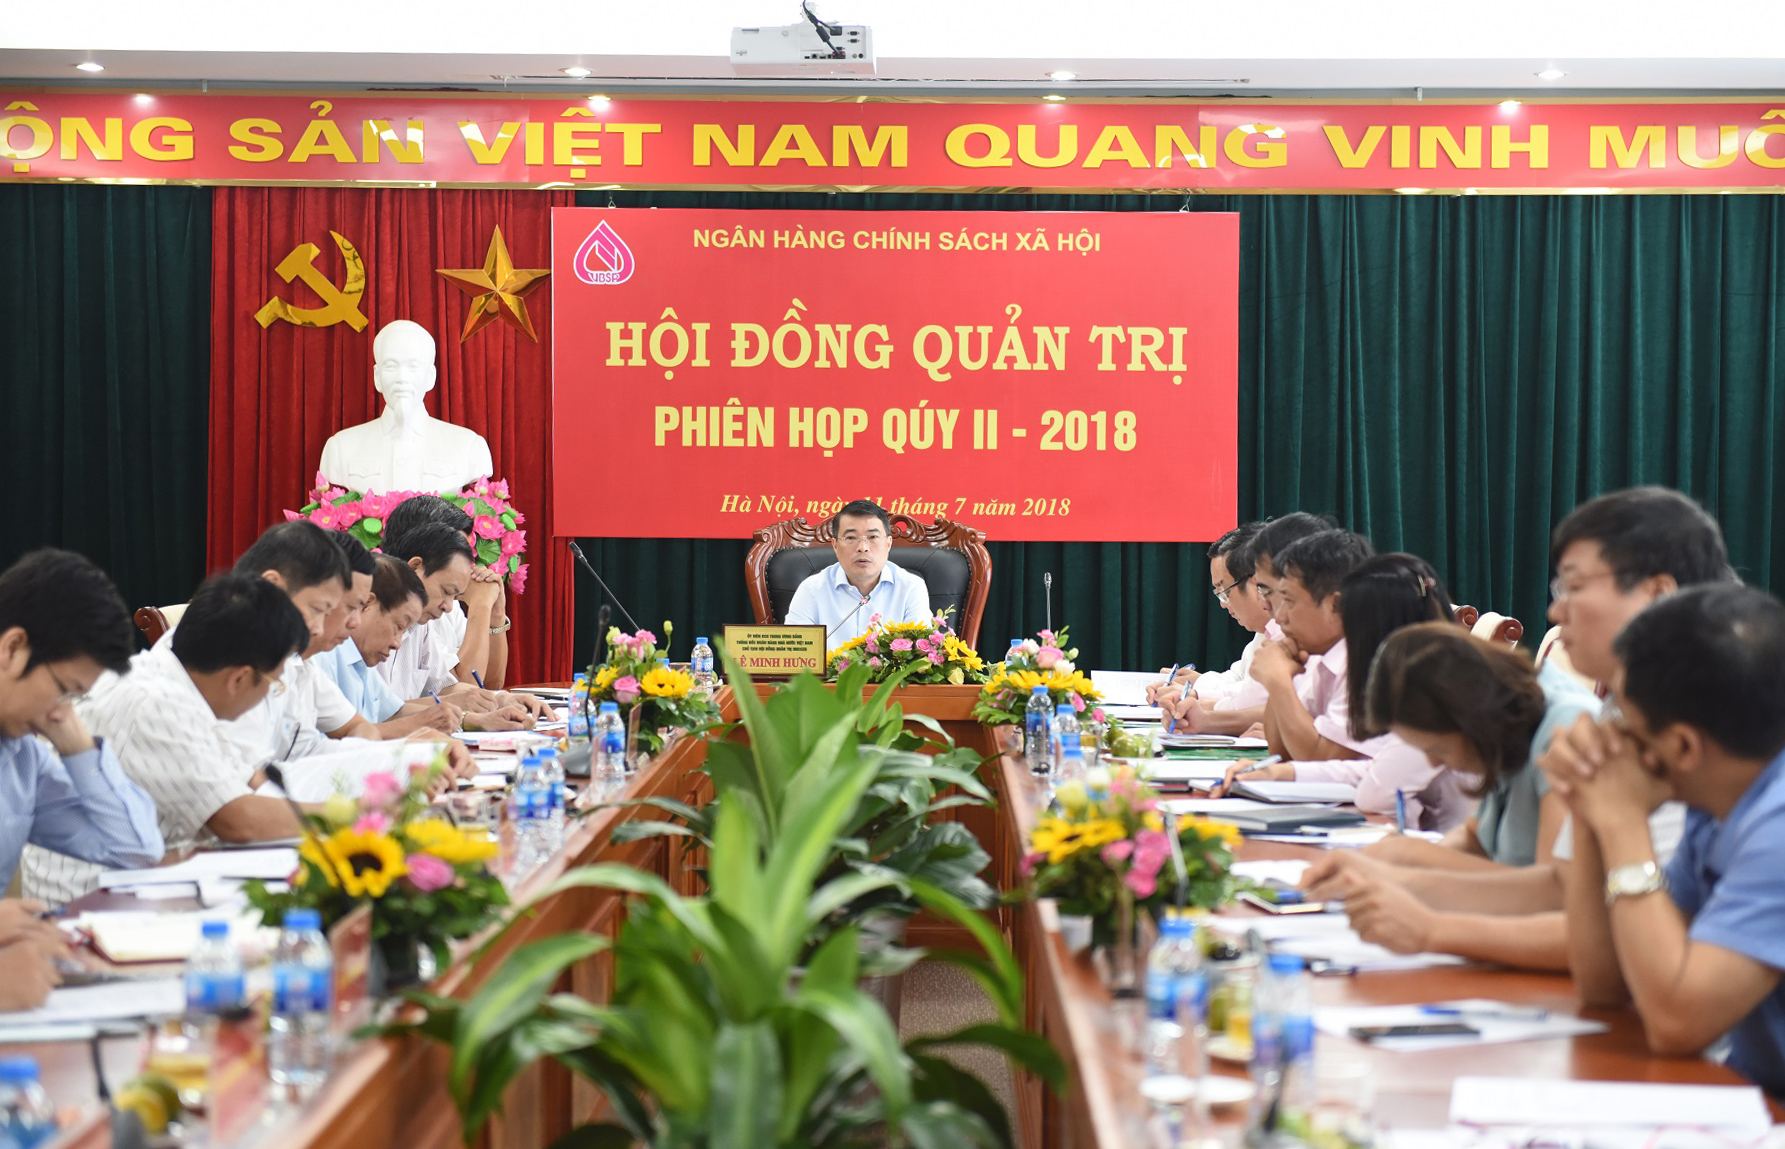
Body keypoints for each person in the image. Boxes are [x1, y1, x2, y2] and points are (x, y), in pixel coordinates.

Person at [1301, 486, 1734, 949]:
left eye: (1574, 587)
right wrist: (1396, 874)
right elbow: (1563, 891)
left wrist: (1431, 926)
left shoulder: (1707, 730)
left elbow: (1616, 934)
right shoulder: (1619, 714)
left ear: (1656, 593)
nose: (1555, 610)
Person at [1546, 585, 1785, 1096]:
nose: (1612, 739)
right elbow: (1605, 983)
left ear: (1682, 747)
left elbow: (1678, 1022)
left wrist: (1621, 820)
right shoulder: (1715, 806)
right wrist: (1590, 809)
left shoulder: (1777, 825)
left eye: (1626, 726)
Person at [1297, 623, 1599, 969]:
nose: (1434, 763)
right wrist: (1400, 858)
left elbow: (1552, 893)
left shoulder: (1565, 730)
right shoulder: (1509, 722)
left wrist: (1408, 873)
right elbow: (1475, 838)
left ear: (1471, 719)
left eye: (1438, 749)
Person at [22, 572, 311, 905]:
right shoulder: (155, 701)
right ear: (239, 678)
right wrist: (349, 816)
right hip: (93, 902)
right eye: (274, 684)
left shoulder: (177, 683)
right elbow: (239, 821)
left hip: (144, 876)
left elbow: (246, 778)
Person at [0, 549, 164, 1007]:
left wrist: (77, 745)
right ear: (12, 648)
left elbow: (135, 851)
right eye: (64, 690)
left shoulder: (23, 755)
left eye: (76, 698)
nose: (61, 712)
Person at [1217, 546, 1476, 831]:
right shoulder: (1395, 670)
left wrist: (1278, 682)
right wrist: (1282, 773)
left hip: (1448, 847)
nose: (1279, 616)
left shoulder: (1429, 689)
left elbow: (1374, 792)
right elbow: (1374, 769)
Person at [318, 318, 494, 494]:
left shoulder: (469, 446)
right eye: (391, 366)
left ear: (430, 377)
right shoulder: (341, 448)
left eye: (413, 366)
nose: (402, 378)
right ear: (377, 377)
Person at [1151, 523, 1271, 736]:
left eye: (1225, 592)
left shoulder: (1299, 634)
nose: (1223, 604)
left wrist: (1197, 697)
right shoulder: (1266, 632)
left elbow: (1256, 698)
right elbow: (1242, 682)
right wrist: (1195, 692)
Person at [785, 499, 932, 645]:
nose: (863, 547)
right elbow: (796, 652)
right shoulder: (811, 590)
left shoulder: (911, 588)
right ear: (835, 545)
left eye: (873, 537)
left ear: (888, 543)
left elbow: (918, 652)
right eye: (851, 538)